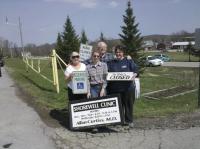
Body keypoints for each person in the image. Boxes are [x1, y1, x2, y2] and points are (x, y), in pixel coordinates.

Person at [107, 45, 138, 128]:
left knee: (128, 105)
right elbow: (106, 72)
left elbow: (135, 70)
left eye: (120, 52)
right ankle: (118, 121)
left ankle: (129, 121)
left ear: (123, 53)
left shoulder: (128, 61)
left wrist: (134, 75)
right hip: (115, 88)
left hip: (128, 88)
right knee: (118, 105)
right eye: (116, 52)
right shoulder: (110, 62)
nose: (118, 54)